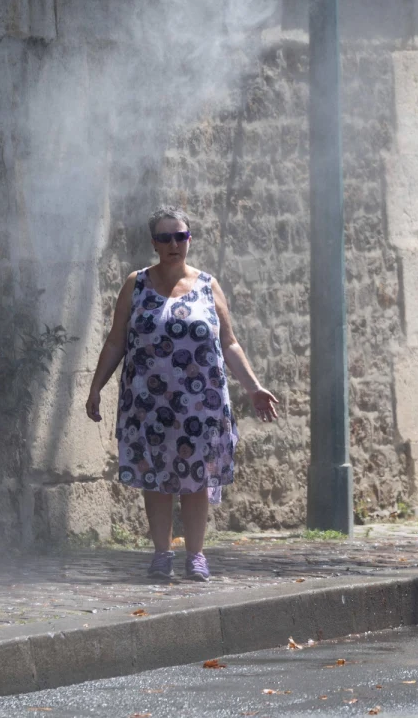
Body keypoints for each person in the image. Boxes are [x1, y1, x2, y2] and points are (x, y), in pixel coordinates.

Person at [86, 207, 278, 582]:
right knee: (155, 480)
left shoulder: (208, 285)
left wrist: (253, 387)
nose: (173, 244)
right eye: (164, 237)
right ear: (154, 243)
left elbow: (230, 343)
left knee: (196, 480)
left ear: (189, 239)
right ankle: (161, 554)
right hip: (149, 404)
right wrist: (96, 387)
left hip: (200, 402)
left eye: (180, 236)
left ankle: (195, 555)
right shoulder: (136, 284)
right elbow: (115, 342)